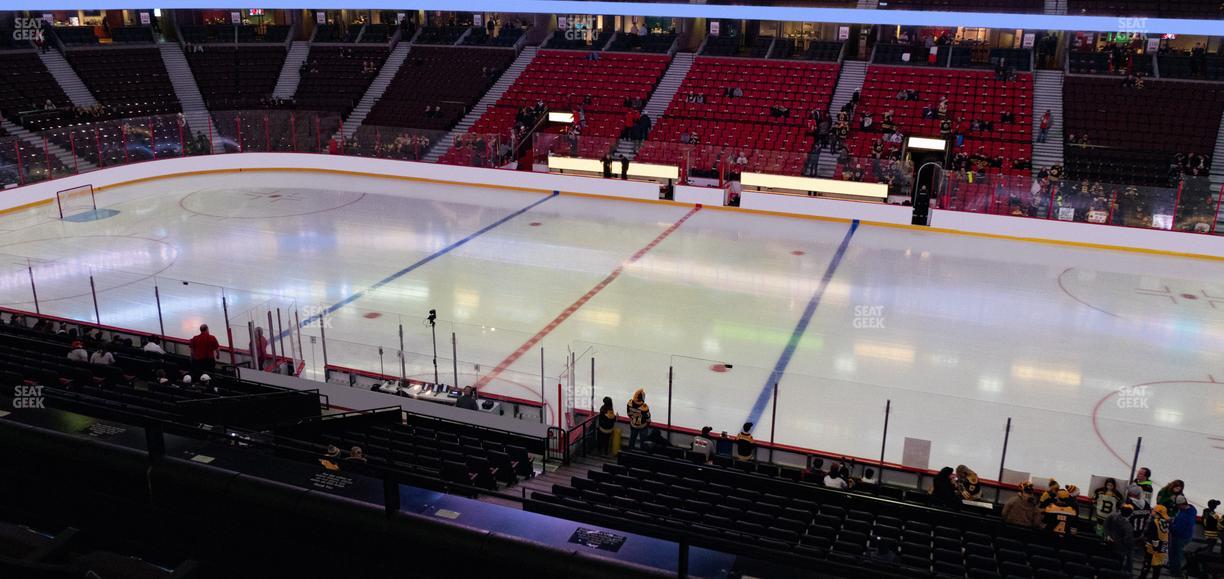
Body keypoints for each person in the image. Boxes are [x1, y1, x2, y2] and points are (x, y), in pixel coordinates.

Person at [1139, 505, 1171, 579]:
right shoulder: (1166, 522)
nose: (1152, 511)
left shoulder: (1154, 522)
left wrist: (1154, 547)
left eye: (1153, 510)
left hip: (1152, 548)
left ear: (1158, 513)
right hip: (1162, 548)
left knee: (1147, 565)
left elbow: (1153, 536)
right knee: (1157, 567)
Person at [1168, 495, 1196, 575]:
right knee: (1176, 554)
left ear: (1180, 504)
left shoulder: (1184, 516)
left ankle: (1175, 572)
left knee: (1175, 554)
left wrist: (1169, 524)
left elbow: (1176, 529)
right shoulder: (1191, 509)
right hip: (1187, 536)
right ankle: (1173, 569)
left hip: (1180, 537)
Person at [1105, 502, 1137, 571]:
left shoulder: (1113, 516)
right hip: (1120, 550)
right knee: (1118, 566)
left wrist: (1107, 534)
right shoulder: (1128, 527)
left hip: (1110, 544)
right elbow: (1128, 540)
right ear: (1130, 514)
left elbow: (1106, 522)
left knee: (1109, 563)